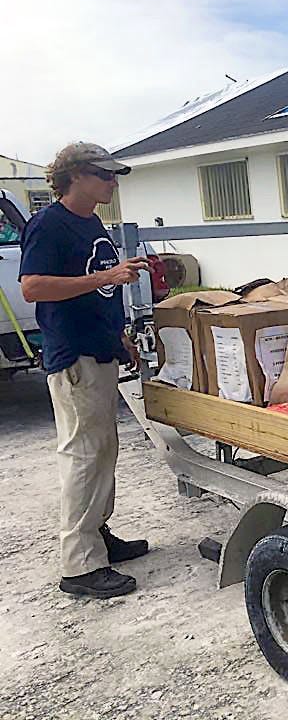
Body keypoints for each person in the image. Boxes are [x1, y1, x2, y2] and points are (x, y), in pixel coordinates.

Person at [20, 142, 151, 599]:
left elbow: (98, 290)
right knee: (82, 455)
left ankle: (97, 536)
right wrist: (105, 278)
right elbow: (33, 287)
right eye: (105, 175)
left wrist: (120, 335)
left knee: (102, 452)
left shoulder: (90, 222)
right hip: (73, 356)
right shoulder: (48, 225)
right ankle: (79, 565)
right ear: (75, 175)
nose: (113, 183)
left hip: (99, 349)